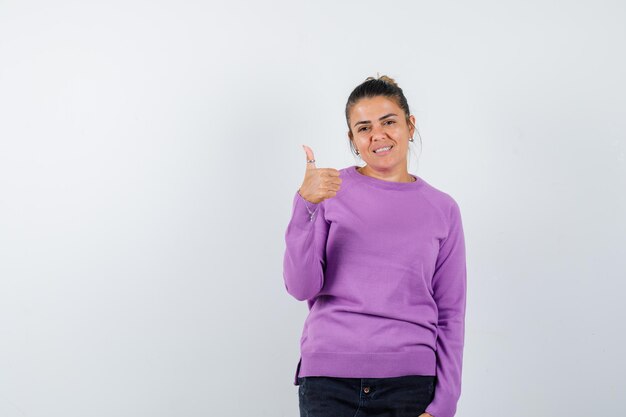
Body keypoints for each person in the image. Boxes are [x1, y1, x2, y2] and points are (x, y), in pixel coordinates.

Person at [282, 75, 467, 417]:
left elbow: (451, 313)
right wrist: (304, 205)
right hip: (329, 381)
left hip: (409, 384)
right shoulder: (328, 191)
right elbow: (300, 286)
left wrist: (444, 404)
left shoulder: (443, 209)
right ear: (353, 139)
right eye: (364, 127)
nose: (378, 135)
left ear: (410, 126)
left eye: (389, 122)